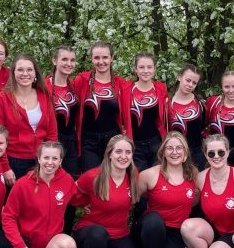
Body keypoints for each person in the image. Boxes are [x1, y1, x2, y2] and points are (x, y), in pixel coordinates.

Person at [72, 135, 150, 248]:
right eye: (118, 151)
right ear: (109, 154)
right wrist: (83, 203)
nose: (123, 156)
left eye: (128, 152)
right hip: (91, 233)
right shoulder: (93, 176)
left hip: (119, 235)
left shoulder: (133, 175)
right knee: (98, 234)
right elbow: (72, 194)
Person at [2, 141, 78, 248]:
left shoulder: (67, 181)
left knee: (69, 245)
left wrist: (93, 205)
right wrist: (18, 244)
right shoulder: (22, 184)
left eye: (55, 158)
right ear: (38, 159)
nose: (50, 162)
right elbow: (8, 217)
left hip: (52, 244)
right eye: (46, 158)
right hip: (28, 247)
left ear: (60, 161)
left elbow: (78, 199)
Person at [136, 132, 197, 248]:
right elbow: (131, 199)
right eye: (170, 148)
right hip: (151, 228)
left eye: (179, 148)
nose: (174, 152)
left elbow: (196, 200)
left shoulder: (194, 175)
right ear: (163, 152)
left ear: (185, 152)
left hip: (176, 233)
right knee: (154, 219)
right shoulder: (149, 175)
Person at [0, 53, 58, 184]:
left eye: (29, 70)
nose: (25, 74)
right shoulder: (2, 98)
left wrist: (51, 158)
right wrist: (5, 167)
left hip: (41, 160)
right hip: (14, 161)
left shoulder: (44, 95)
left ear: (35, 73)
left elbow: (52, 132)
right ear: (13, 73)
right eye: (20, 70)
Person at [74, 41, 127, 171]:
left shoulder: (120, 83)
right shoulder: (82, 80)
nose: (101, 61)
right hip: (88, 141)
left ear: (112, 58)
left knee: (113, 177)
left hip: (113, 140)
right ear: (92, 59)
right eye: (97, 58)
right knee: (92, 177)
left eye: (105, 57)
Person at [121, 52, 168, 171]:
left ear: (154, 69)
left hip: (156, 143)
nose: (146, 71)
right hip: (135, 144)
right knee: (140, 179)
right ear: (135, 69)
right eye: (141, 67)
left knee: (158, 177)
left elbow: (164, 117)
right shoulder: (126, 89)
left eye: (149, 67)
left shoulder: (161, 88)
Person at [46, 46, 79, 180]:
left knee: (71, 179)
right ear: (54, 61)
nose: (69, 64)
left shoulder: (74, 85)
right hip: (51, 140)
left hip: (71, 141)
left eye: (72, 60)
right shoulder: (44, 87)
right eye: (64, 59)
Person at [206, 70, 234, 171]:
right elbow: (202, 126)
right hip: (215, 155)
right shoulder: (213, 103)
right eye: (226, 87)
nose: (230, 90)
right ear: (222, 87)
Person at [168, 64, 205, 170]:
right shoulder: (167, 103)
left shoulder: (200, 103)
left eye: (194, 83)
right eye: (188, 80)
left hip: (197, 154)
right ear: (179, 77)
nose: (190, 85)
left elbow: (204, 126)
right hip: (175, 154)